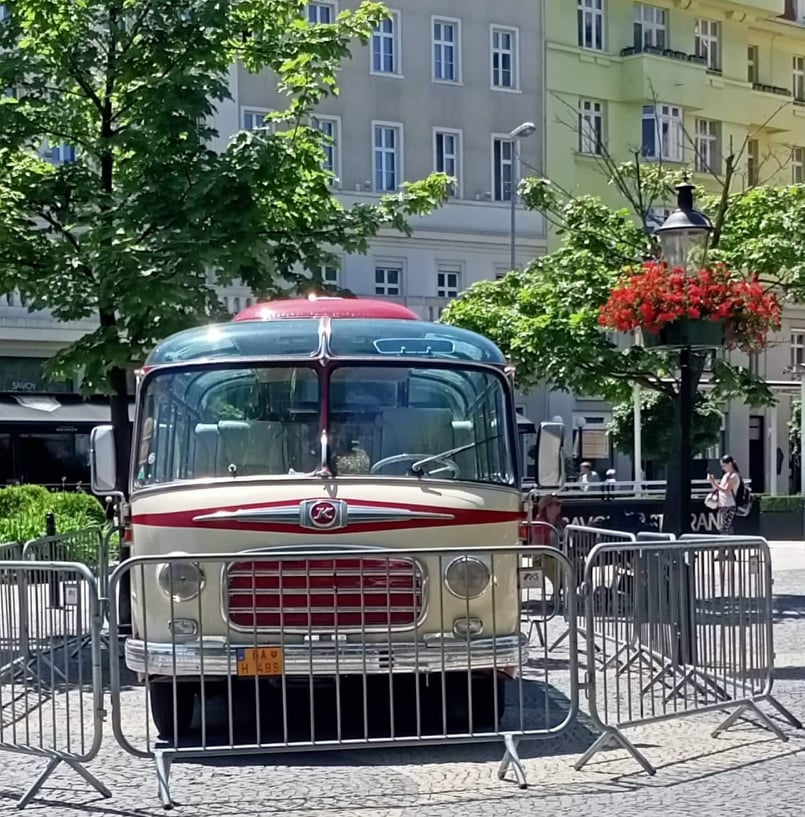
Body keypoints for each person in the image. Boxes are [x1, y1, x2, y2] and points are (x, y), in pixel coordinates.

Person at [708, 454, 741, 535]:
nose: (723, 468)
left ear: (730, 464)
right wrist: (712, 482)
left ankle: (729, 541)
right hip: (722, 505)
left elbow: (727, 490)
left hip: (729, 505)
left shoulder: (734, 476)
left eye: (724, 466)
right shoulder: (726, 475)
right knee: (722, 528)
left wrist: (714, 482)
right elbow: (718, 489)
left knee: (725, 528)